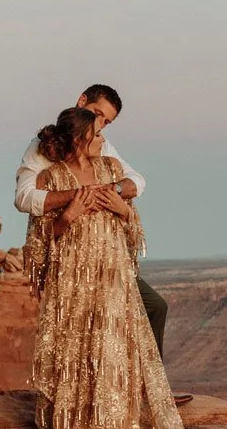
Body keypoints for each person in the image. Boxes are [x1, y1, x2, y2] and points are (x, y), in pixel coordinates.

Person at [21, 107, 227, 429]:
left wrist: (123, 209)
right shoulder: (49, 180)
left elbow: (133, 230)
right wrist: (68, 218)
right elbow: (38, 246)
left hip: (113, 278)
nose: (105, 141)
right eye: (99, 134)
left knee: (112, 351)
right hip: (72, 284)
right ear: (79, 140)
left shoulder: (111, 172)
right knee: (77, 353)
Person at [14, 84, 170, 349]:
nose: (100, 125)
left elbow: (136, 180)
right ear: (81, 100)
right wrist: (77, 196)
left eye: (106, 122)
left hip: (107, 258)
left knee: (153, 306)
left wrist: (114, 191)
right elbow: (24, 198)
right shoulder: (44, 149)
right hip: (71, 262)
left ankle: (149, 385)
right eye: (97, 114)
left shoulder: (102, 148)